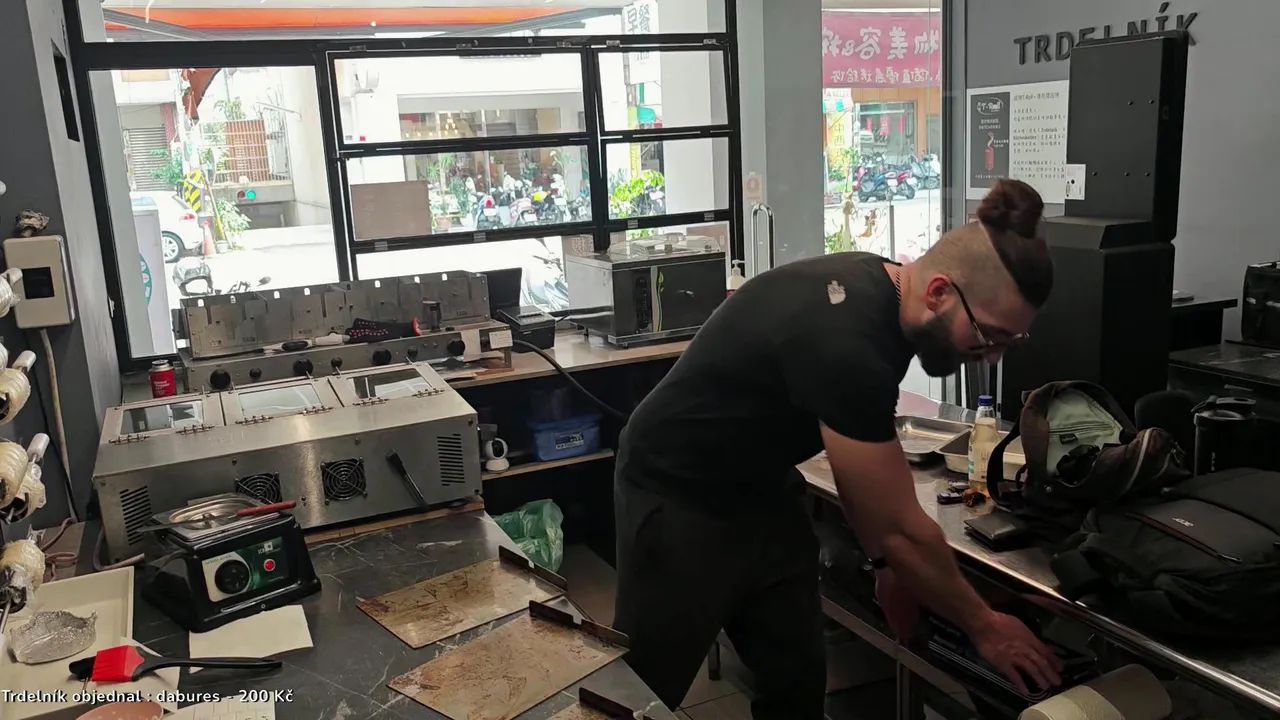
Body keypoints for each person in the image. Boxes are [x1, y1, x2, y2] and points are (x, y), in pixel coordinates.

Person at [613, 179, 1061, 718]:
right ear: (939, 293)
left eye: (1010, 341)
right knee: (644, 687)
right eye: (990, 334)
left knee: (796, 680)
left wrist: (887, 566)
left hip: (762, 486)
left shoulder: (886, 295)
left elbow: (863, 486)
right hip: (678, 491)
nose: (991, 356)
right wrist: (986, 627)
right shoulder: (846, 340)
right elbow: (900, 525)